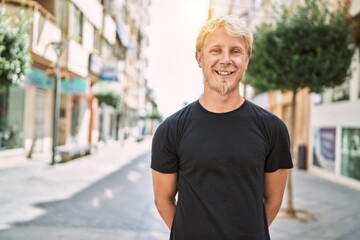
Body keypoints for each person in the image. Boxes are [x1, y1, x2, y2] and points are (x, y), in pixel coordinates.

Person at [151, 15, 293, 240]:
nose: (226, 60)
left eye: (235, 51)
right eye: (216, 50)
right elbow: (163, 200)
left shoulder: (273, 128)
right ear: (199, 57)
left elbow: (274, 201)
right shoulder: (171, 130)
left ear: (247, 58)